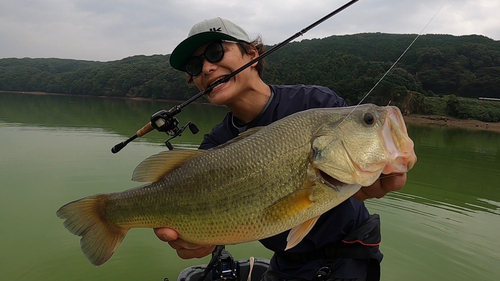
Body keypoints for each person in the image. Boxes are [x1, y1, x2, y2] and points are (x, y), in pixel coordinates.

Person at [155, 17, 407, 281]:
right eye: (194, 66)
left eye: (215, 52)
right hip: (286, 263)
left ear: (252, 51)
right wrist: (198, 242)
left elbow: (365, 175)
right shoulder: (215, 145)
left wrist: (376, 179)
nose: (206, 68)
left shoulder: (317, 104)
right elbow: (214, 219)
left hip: (349, 257)